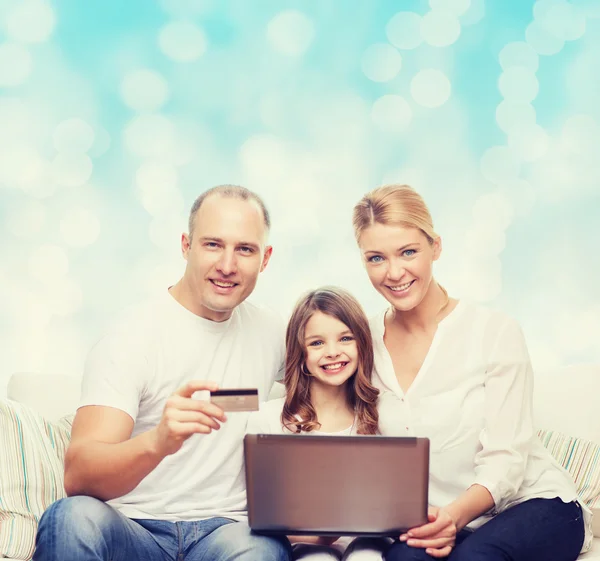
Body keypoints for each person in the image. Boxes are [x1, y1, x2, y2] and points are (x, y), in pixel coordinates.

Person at [33, 185, 292, 561]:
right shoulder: (131, 336)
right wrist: (159, 441)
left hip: (229, 534)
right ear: (186, 246)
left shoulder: (274, 333)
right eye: (213, 245)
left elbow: (346, 377)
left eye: (245, 249)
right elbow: (79, 475)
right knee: (71, 518)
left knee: (262, 550)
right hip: (135, 529)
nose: (227, 265)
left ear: (265, 258)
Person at [351, 184, 592, 561]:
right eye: (376, 258)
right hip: (434, 520)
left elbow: (507, 459)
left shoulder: (494, 332)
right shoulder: (361, 343)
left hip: (532, 505)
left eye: (408, 252)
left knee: (474, 559)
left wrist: (454, 517)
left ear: (436, 247)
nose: (394, 272)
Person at [247, 286, 392, 561]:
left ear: (362, 344)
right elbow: (261, 516)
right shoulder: (269, 421)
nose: (333, 352)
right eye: (316, 343)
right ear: (300, 356)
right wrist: (320, 536)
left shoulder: (379, 418)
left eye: (345, 338)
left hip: (369, 540)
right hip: (303, 545)